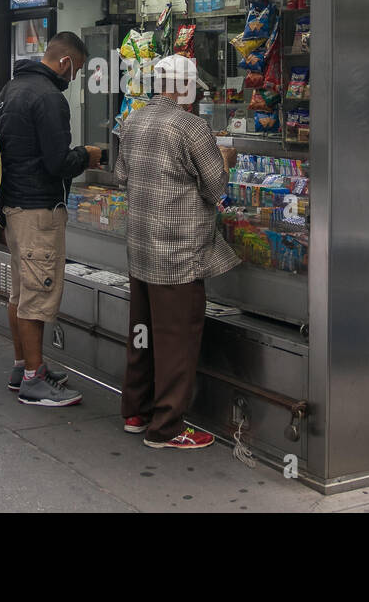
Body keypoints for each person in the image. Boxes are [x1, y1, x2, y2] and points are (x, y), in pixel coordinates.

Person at [114, 54, 239, 449]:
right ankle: (166, 427)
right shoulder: (192, 127)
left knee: (142, 332)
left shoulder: (133, 121)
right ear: (184, 87)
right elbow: (217, 190)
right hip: (178, 254)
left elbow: (121, 176)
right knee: (177, 339)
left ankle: (136, 411)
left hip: (140, 247)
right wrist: (226, 160)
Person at [0, 31, 102, 406]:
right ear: (66, 62)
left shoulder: (12, 89)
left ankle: (22, 366)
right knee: (37, 295)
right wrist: (86, 155)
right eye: (78, 70)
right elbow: (58, 162)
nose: (75, 78)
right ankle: (33, 381)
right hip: (39, 209)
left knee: (22, 292)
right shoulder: (49, 98)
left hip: (14, 207)